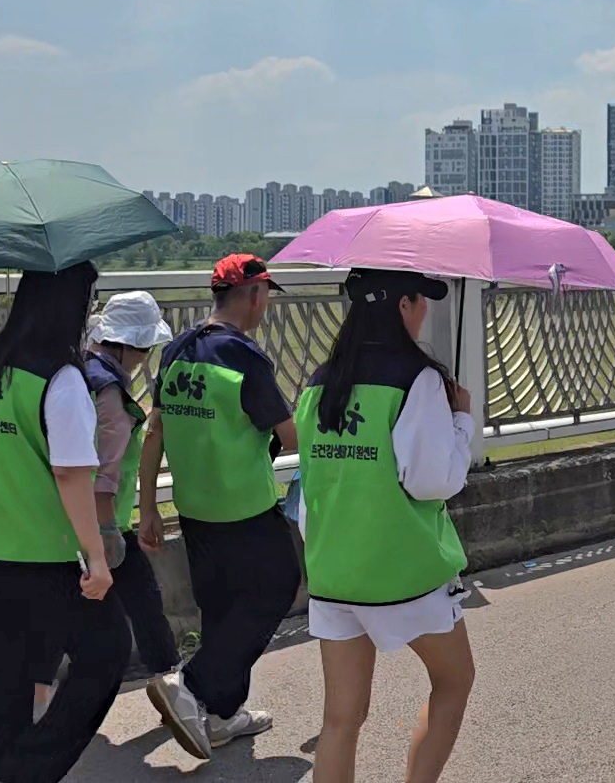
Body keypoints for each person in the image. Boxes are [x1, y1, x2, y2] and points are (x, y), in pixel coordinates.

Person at [0, 263, 129, 783]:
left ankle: (0, 774)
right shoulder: (62, 376)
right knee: (106, 652)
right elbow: (71, 474)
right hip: (42, 553)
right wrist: (96, 556)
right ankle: (25, 773)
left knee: (3, 679)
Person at [299, 270, 477, 783]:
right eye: (422, 301)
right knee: (454, 681)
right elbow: (433, 482)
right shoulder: (417, 379)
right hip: (401, 569)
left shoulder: (320, 380)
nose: (425, 311)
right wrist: (461, 421)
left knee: (341, 720)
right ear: (403, 304)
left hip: (332, 569)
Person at [140, 254, 301, 759]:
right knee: (276, 588)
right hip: (244, 506)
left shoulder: (177, 350)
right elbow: (290, 435)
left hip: (194, 507)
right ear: (254, 295)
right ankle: (190, 685)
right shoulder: (243, 357)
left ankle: (222, 714)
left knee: (222, 609)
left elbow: (155, 431)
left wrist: (148, 506)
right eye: (266, 296)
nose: (266, 305)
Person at [29, 291, 186, 719]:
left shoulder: (75, 371)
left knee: (64, 620)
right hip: (101, 521)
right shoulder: (111, 395)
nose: (145, 357)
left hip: (59, 518)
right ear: (130, 345)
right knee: (141, 606)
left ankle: (38, 705)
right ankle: (175, 693)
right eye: (146, 348)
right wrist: (105, 534)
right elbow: (102, 475)